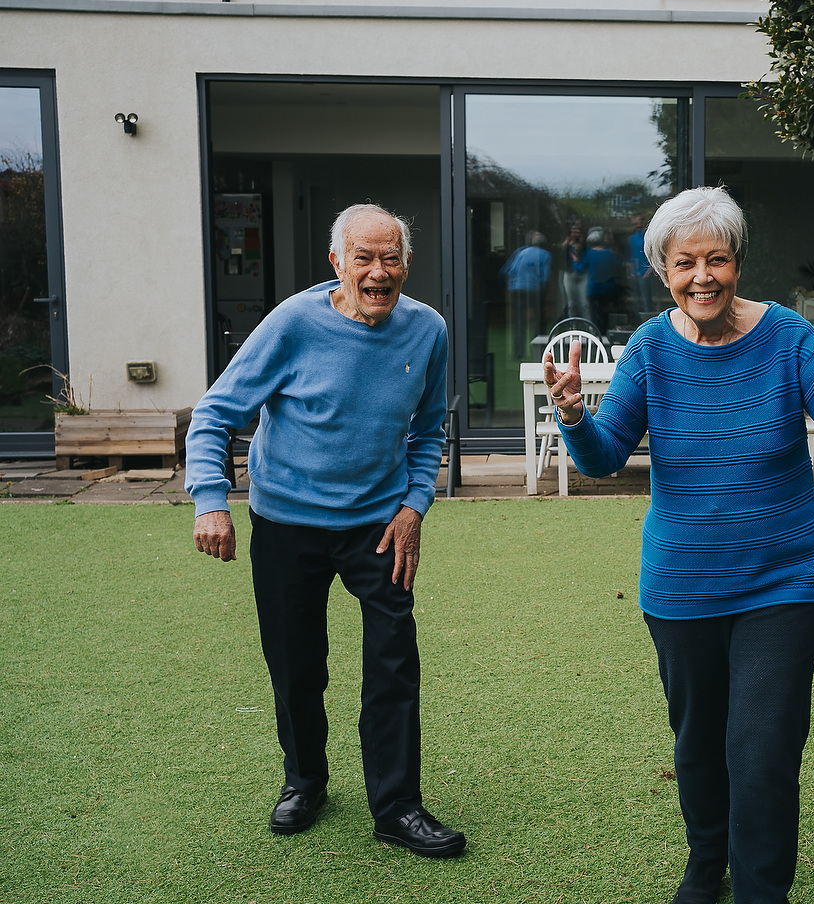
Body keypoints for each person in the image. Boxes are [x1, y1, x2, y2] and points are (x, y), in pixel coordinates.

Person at [542, 186, 814, 904]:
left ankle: (760, 889)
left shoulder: (790, 338)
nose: (703, 277)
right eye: (685, 262)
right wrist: (573, 413)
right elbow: (602, 458)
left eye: (717, 259)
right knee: (698, 746)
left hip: (785, 580)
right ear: (663, 271)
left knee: (763, 751)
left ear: (738, 263)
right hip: (682, 586)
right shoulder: (651, 350)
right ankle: (707, 856)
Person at [185, 203, 466, 859]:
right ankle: (305, 780)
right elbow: (214, 412)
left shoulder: (427, 331)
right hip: (287, 523)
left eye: (389, 258)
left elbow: (427, 433)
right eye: (363, 258)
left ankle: (397, 807)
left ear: (406, 265)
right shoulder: (293, 323)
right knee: (297, 665)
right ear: (336, 263)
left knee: (395, 662)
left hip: (379, 522)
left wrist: (413, 507)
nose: (377, 272)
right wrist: (209, 500)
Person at [503, 230, 552, 359]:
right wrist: (543, 295)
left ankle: (518, 352)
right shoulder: (545, 254)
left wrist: (511, 286)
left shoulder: (520, 252)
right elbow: (545, 278)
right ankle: (541, 351)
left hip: (517, 289)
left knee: (519, 322)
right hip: (534, 290)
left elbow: (507, 270)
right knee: (541, 320)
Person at [580, 226, 622, 333]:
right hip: (608, 288)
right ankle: (605, 334)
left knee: (595, 314)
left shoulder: (588, 254)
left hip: (593, 289)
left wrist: (575, 259)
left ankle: (598, 334)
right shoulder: (610, 253)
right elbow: (618, 265)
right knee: (606, 314)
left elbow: (579, 268)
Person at [627, 212, 660, 317]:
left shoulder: (649, 237)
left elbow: (654, 256)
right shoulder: (630, 239)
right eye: (635, 222)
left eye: (640, 221)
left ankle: (647, 322)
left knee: (646, 300)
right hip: (634, 275)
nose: (638, 224)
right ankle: (638, 324)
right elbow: (629, 257)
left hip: (646, 274)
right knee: (636, 301)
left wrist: (648, 273)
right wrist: (629, 273)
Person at [560, 223, 588, 321]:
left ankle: (588, 325)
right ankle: (572, 325)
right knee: (571, 303)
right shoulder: (566, 244)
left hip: (583, 274)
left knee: (584, 303)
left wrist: (581, 242)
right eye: (574, 232)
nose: (576, 235)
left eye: (578, 232)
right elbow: (561, 256)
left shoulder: (584, 244)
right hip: (569, 273)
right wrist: (568, 242)